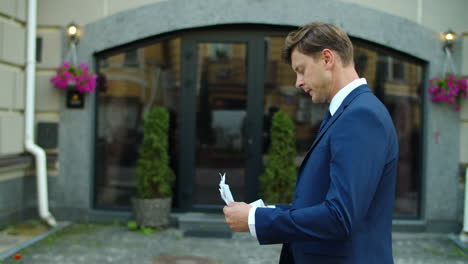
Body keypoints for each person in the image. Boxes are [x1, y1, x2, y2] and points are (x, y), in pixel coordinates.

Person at [223, 22, 399, 263]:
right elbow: (320, 202)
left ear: (327, 59)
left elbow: (340, 216)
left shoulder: (361, 116)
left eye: (301, 69)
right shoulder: (345, 113)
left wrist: (256, 220)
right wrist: (260, 213)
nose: (298, 82)